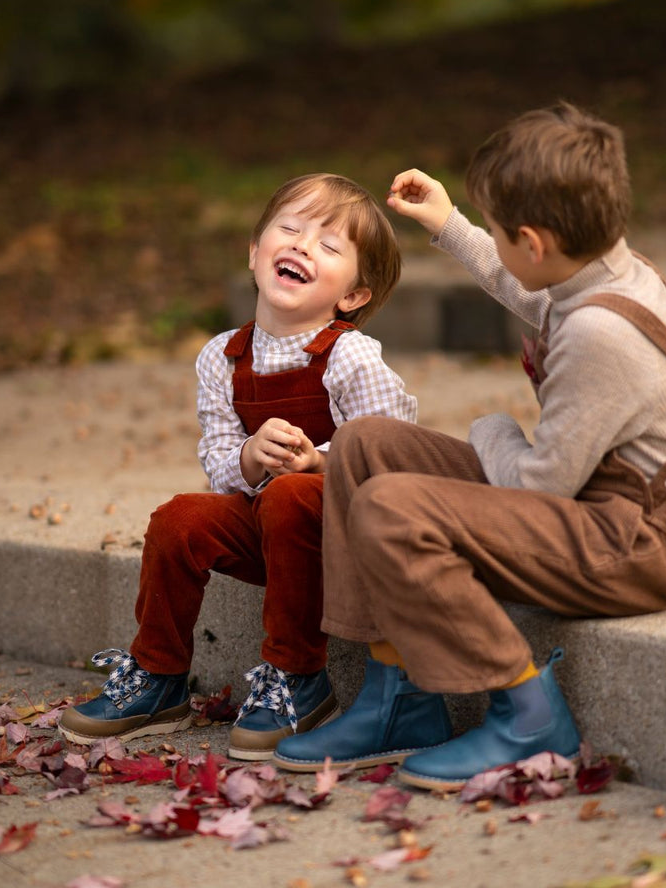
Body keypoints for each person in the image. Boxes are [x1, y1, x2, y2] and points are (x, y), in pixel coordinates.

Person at [272, 103, 666, 790]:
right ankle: (397, 698)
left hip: (631, 544)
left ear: (532, 241)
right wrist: (448, 225)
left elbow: (535, 489)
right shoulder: (598, 269)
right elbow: (521, 287)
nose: (493, 247)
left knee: (392, 508)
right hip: (591, 507)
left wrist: (491, 428)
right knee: (363, 445)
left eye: (496, 233)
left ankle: (529, 713)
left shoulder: (600, 335)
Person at [59, 173, 417, 760]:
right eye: (291, 229)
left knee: (289, 495)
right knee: (179, 518)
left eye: (329, 246)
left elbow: (392, 449)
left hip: (347, 539)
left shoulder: (350, 353)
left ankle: (299, 679)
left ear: (353, 296)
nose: (303, 245)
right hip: (272, 531)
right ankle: (158, 677)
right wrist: (249, 457)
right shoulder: (222, 356)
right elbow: (219, 460)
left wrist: (320, 461)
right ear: (255, 253)